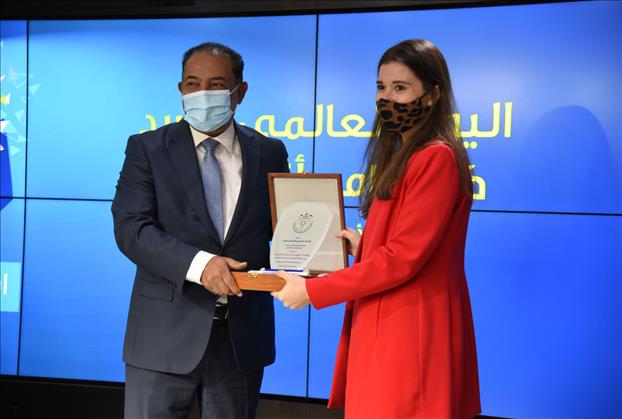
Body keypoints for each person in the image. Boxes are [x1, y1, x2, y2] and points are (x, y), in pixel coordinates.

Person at [272, 39, 481, 419]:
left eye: (401, 88)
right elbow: (407, 244)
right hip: (389, 318)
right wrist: (365, 244)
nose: (387, 99)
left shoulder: (435, 157)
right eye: (381, 87)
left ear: (433, 95)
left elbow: (403, 259)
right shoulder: (406, 154)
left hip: (411, 326)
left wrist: (312, 290)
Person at [112, 42, 289, 419]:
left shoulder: (270, 152)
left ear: (240, 92)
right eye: (193, 84)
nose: (203, 94)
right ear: (181, 89)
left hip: (241, 340)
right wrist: (201, 265)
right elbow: (131, 228)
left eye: (217, 84)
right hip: (162, 338)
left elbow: (283, 230)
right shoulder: (147, 148)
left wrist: (319, 246)